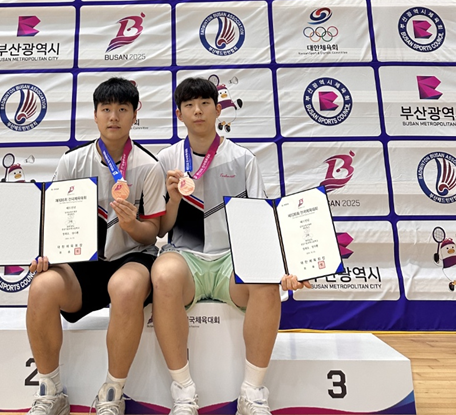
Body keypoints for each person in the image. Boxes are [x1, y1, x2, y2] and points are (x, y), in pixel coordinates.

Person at [153, 77, 309, 415]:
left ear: (218, 109)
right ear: (179, 114)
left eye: (204, 104)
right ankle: (183, 393)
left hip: (230, 261)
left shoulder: (242, 159)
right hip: (185, 258)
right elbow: (160, 229)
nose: (197, 111)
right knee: (163, 275)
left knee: (265, 282)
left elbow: (261, 224)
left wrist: (284, 267)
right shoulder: (166, 160)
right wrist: (174, 200)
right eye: (189, 105)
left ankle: (252, 393)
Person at [26, 77, 166, 415]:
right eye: (106, 109)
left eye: (122, 109)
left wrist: (132, 224)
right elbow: (55, 222)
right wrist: (45, 254)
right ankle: (50, 390)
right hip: (83, 265)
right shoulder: (71, 162)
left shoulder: (149, 167)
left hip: (132, 259)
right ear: (95, 114)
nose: (113, 117)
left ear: (135, 115)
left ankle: (112, 393)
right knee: (42, 286)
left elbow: (152, 234)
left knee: (126, 286)